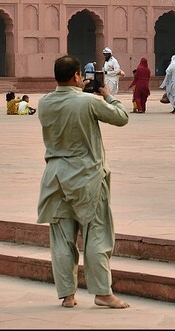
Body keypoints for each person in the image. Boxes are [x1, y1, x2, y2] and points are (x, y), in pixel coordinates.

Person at [36, 55, 130, 309]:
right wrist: (108, 95)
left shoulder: (44, 103)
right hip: (87, 176)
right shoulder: (87, 102)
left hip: (55, 177)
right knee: (96, 233)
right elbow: (122, 117)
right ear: (77, 75)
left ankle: (67, 294)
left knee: (62, 239)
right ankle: (102, 292)